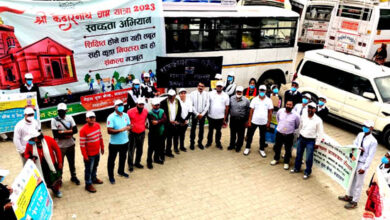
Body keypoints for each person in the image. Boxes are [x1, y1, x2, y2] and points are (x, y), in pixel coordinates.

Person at [338, 120, 377, 209]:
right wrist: (357, 149)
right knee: (351, 180)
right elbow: (354, 144)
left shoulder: (373, 141)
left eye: (367, 127)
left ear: (371, 128)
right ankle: (349, 195)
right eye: (364, 126)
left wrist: (364, 167)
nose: (365, 128)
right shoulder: (360, 134)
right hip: (355, 161)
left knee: (359, 183)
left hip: (362, 163)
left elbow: (370, 156)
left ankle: (355, 201)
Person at [24, 131, 63, 198]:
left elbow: (57, 150)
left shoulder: (48, 139)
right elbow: (26, 154)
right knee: (42, 180)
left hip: (51, 165)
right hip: (39, 166)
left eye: (31, 139)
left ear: (36, 138)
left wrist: (60, 162)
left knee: (54, 179)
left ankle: (56, 190)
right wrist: (31, 157)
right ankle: (44, 193)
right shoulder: (29, 144)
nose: (29, 141)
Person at [291, 102, 324, 179]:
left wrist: (317, 143)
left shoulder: (318, 120)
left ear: (315, 110)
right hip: (302, 138)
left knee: (309, 158)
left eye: (312, 108)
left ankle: (307, 172)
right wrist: (299, 135)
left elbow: (320, 132)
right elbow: (300, 126)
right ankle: (296, 168)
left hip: (311, 141)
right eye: (309, 107)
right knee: (299, 154)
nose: (310, 109)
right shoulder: (303, 116)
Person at [51, 103, 80, 185]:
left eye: (63, 111)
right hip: (60, 147)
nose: (61, 113)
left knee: (72, 162)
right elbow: (55, 134)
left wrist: (62, 132)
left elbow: (75, 130)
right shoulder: (54, 120)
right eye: (59, 111)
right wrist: (68, 132)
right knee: (60, 164)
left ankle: (73, 176)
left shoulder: (70, 118)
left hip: (70, 144)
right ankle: (59, 179)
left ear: (66, 111)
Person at [106, 100, 132, 184]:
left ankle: (121, 171)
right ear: (115, 107)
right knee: (111, 160)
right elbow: (109, 131)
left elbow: (128, 124)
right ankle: (111, 176)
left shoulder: (126, 115)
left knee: (123, 157)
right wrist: (121, 130)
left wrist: (129, 127)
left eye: (122, 105)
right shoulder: (111, 117)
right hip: (114, 143)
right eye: (118, 105)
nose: (121, 106)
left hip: (125, 141)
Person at [244, 85, 273, 157]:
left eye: (263, 90)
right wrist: (249, 121)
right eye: (261, 90)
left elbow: (270, 112)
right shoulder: (254, 99)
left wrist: (269, 122)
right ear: (258, 90)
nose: (262, 92)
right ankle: (247, 147)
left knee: (262, 136)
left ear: (266, 91)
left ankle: (262, 149)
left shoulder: (269, 100)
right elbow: (251, 111)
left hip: (263, 122)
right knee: (250, 135)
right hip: (254, 121)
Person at [270, 100, 300, 170]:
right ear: (285, 105)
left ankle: (286, 162)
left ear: (292, 106)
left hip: (289, 135)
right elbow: (278, 119)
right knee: (277, 147)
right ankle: (276, 159)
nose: (288, 106)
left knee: (288, 149)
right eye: (287, 104)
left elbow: (297, 125)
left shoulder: (296, 115)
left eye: (290, 105)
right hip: (279, 133)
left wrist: (289, 129)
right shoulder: (280, 111)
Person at [79, 111, 104, 193]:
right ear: (86, 119)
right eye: (90, 118)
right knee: (88, 169)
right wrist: (85, 156)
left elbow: (100, 137)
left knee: (95, 167)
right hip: (89, 155)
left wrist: (102, 147)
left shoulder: (97, 125)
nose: (93, 119)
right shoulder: (83, 130)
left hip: (97, 152)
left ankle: (94, 178)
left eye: (94, 117)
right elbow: (82, 145)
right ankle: (88, 184)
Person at [127, 97, 148, 172]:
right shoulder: (130, 111)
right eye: (140, 105)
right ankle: (130, 164)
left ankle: (137, 162)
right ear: (136, 104)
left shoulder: (145, 111)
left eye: (142, 104)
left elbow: (145, 120)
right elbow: (126, 121)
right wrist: (129, 127)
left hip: (142, 133)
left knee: (140, 149)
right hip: (133, 133)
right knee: (131, 150)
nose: (141, 106)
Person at [207, 81, 229, 149]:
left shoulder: (226, 95)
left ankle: (218, 143)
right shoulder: (210, 94)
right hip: (211, 116)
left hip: (220, 117)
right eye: (218, 86)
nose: (219, 87)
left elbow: (227, 107)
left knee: (218, 131)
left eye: (220, 86)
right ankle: (209, 142)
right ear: (216, 86)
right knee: (210, 131)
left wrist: (225, 117)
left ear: (222, 87)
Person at [227, 86, 250, 152]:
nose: (239, 93)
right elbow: (229, 108)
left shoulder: (246, 100)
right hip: (233, 119)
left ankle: (238, 146)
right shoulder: (231, 98)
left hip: (241, 120)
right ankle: (232, 145)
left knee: (241, 134)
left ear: (242, 92)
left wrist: (247, 121)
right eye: (238, 91)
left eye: (240, 92)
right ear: (236, 91)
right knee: (232, 133)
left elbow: (248, 111)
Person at [161, 89, 183, 156]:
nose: (170, 98)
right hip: (167, 124)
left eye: (172, 96)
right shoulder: (163, 102)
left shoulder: (177, 101)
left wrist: (177, 120)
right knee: (167, 139)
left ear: (175, 96)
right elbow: (162, 114)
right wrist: (168, 121)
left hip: (175, 123)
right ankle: (165, 151)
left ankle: (172, 150)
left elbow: (179, 111)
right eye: (169, 96)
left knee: (174, 138)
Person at [147, 98, 167, 169]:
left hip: (160, 133)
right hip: (153, 134)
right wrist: (160, 121)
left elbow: (165, 119)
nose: (157, 106)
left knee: (158, 147)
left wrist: (158, 121)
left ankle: (156, 159)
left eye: (158, 105)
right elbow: (153, 123)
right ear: (152, 105)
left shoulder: (162, 111)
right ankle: (149, 162)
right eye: (155, 105)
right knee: (151, 148)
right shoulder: (149, 113)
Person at [190, 82, 210, 150]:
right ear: (197, 86)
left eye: (202, 86)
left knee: (201, 129)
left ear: (204, 87)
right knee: (193, 129)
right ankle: (192, 143)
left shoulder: (206, 94)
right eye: (199, 86)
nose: (200, 87)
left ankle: (200, 143)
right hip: (195, 114)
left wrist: (202, 114)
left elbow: (207, 105)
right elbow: (191, 105)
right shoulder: (192, 94)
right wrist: (197, 114)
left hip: (203, 114)